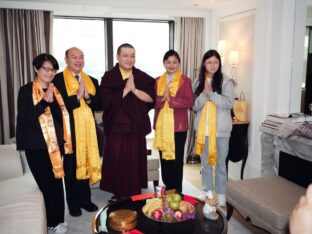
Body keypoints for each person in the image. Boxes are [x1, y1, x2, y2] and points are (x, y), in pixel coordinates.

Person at [16, 53, 71, 233]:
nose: (50, 72)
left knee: (57, 183)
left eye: (53, 69)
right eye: (46, 68)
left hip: (55, 146)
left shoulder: (56, 91)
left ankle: (59, 220)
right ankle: (51, 223)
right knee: (46, 185)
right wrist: (43, 102)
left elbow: (59, 119)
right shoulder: (25, 91)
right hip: (36, 147)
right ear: (36, 69)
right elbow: (24, 120)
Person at [99, 43, 156, 201]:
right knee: (117, 161)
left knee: (134, 161)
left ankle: (134, 193)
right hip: (116, 127)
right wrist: (125, 90)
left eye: (132, 55)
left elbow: (152, 98)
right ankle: (118, 193)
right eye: (125, 55)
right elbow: (105, 100)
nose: (129, 59)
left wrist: (135, 90)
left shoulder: (141, 76)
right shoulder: (110, 77)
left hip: (135, 127)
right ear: (118, 57)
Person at [53, 47, 102, 217]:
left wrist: (88, 97)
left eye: (81, 57)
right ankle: (73, 204)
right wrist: (77, 97)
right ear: (66, 60)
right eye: (74, 57)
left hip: (88, 133)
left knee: (86, 163)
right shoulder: (58, 80)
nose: (78, 60)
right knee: (71, 167)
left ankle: (85, 200)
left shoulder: (92, 80)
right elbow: (56, 108)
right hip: (69, 132)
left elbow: (99, 105)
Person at [193, 49, 235, 206]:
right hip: (204, 131)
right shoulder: (197, 82)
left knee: (220, 164)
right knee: (205, 164)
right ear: (204, 63)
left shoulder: (227, 81)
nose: (212, 65)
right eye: (209, 62)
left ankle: (221, 193)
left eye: (215, 62)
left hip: (221, 131)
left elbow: (229, 103)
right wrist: (204, 94)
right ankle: (207, 190)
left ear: (219, 63)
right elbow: (195, 107)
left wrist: (211, 94)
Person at [153, 50, 194, 193]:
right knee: (164, 160)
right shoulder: (158, 81)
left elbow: (189, 102)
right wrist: (161, 99)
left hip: (178, 127)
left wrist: (171, 99)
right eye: (168, 62)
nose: (171, 65)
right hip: (162, 127)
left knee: (176, 162)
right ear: (164, 63)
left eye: (174, 62)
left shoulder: (185, 80)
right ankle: (168, 190)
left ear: (179, 64)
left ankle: (177, 192)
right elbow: (153, 102)